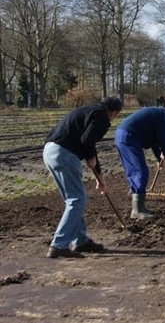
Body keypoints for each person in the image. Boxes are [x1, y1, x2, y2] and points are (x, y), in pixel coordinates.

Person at [44, 97, 123, 258]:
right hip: (65, 155)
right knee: (77, 200)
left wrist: (99, 177)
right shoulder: (102, 117)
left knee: (72, 200)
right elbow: (87, 141)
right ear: (114, 113)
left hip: (50, 151)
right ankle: (59, 245)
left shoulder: (88, 110)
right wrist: (91, 158)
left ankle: (80, 240)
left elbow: (88, 143)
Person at [114, 105, 165, 220]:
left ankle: (137, 200)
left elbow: (155, 141)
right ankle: (137, 210)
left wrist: (159, 157)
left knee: (136, 170)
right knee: (140, 171)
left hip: (123, 134)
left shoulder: (160, 115)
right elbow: (164, 138)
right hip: (129, 136)